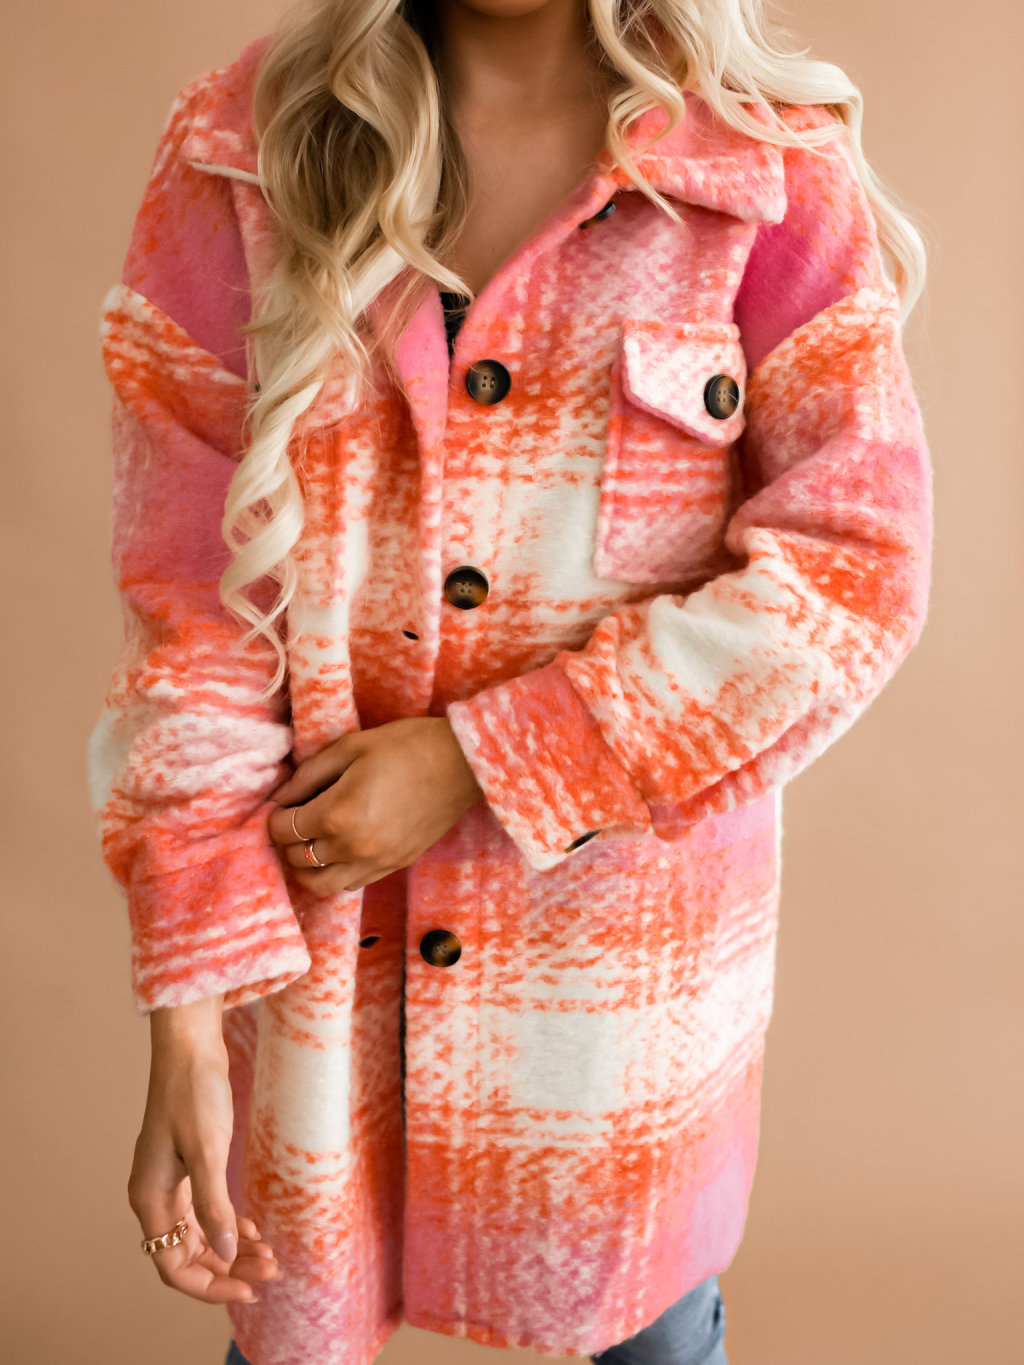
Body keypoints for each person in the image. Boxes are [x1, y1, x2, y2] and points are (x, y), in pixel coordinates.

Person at [90, 0, 931, 1359]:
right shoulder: (242, 149)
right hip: (314, 988)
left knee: (656, 1336)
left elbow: (855, 572)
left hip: (617, 1014)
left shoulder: (763, 169)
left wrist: (483, 757)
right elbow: (191, 608)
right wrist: (186, 1005)